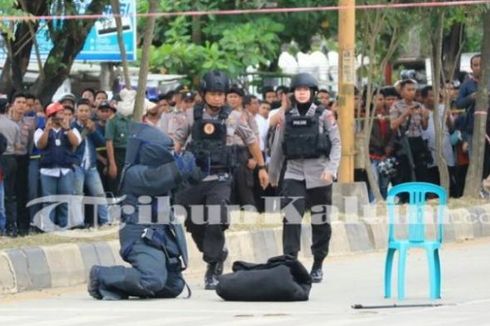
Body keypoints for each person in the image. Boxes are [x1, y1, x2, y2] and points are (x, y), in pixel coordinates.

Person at [173, 70, 269, 290]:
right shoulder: (190, 115)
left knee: (216, 215)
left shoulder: (234, 117)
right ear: (203, 94)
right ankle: (216, 253)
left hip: (221, 176)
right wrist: (171, 163)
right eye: (213, 93)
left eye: (221, 94)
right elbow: (177, 140)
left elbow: (252, 140)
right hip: (194, 177)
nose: (217, 98)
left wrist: (262, 166)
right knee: (195, 223)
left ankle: (214, 265)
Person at [88, 123, 188, 300]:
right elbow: (164, 177)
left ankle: (121, 286)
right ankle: (100, 275)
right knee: (152, 280)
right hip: (139, 235)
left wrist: (199, 164)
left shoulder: (159, 171)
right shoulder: (135, 173)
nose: (169, 154)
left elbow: (184, 178)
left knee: (174, 286)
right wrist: (185, 162)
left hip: (159, 234)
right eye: (166, 150)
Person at [268, 73, 341, 283]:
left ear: (312, 93)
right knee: (291, 218)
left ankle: (318, 263)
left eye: (305, 90)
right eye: (298, 90)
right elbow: (278, 147)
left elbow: (337, 144)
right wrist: (273, 174)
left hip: (319, 173)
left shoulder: (324, 115)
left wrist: (331, 169)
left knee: (320, 220)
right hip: (294, 173)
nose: (301, 93)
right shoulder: (286, 116)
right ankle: (290, 262)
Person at [34, 102, 81, 230]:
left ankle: (63, 227)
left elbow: (76, 142)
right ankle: (48, 228)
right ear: (49, 116)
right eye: (57, 115)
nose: (60, 118)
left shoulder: (71, 129)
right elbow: (40, 145)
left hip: (65, 170)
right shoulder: (40, 130)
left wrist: (67, 129)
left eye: (62, 115)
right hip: (47, 171)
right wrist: (47, 129)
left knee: (64, 200)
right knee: (49, 201)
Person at [72, 99, 109, 227]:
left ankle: (106, 221)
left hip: (91, 166)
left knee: (100, 195)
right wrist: (84, 131)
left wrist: (92, 130)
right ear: (76, 112)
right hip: (77, 165)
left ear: (90, 112)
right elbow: (74, 145)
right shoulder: (72, 127)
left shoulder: (94, 126)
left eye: (86, 111)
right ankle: (78, 223)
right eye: (81, 111)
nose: (84, 113)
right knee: (77, 196)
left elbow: (102, 142)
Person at [390, 79, 431, 187]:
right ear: (402, 92)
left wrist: (425, 118)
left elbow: (424, 127)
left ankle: (422, 195)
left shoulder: (419, 105)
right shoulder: (396, 106)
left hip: (418, 140)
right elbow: (393, 125)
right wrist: (404, 114)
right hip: (405, 142)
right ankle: (407, 197)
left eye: (413, 89)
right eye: (408, 90)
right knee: (406, 170)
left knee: (421, 169)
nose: (411, 92)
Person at [0, 98, 20, 236]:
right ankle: (11, 224)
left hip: (2, 160)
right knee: (10, 194)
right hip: (11, 158)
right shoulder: (13, 125)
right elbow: (18, 147)